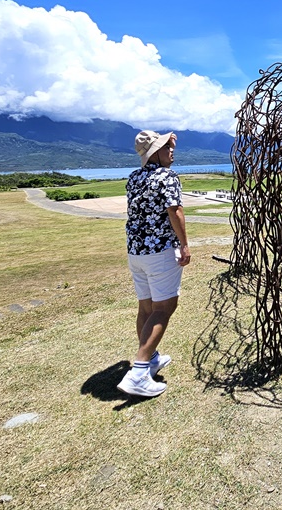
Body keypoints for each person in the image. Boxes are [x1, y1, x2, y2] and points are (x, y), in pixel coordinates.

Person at [117, 129, 192, 397]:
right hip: (160, 251)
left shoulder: (134, 178)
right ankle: (138, 373)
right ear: (155, 154)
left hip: (136, 251)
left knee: (146, 306)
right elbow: (175, 210)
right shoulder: (167, 176)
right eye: (166, 148)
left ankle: (150, 358)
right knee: (164, 307)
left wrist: (167, 139)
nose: (172, 152)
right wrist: (184, 244)